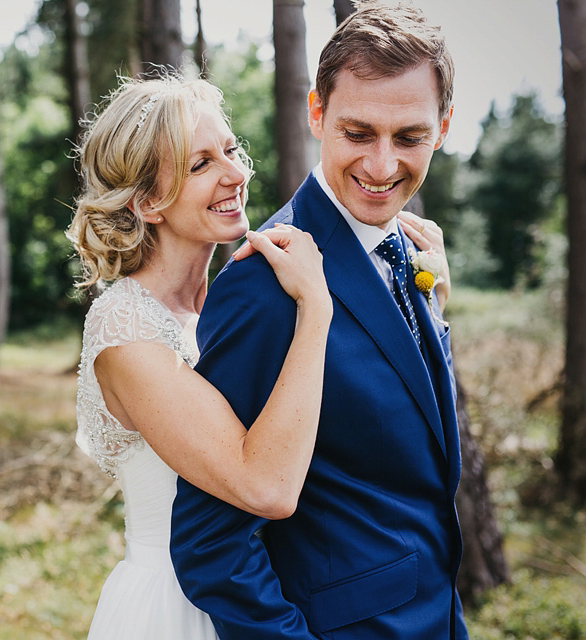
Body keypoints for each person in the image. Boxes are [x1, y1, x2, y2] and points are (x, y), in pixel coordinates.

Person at [68, 73, 442, 638]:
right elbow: (266, 487)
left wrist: (429, 304)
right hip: (180, 608)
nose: (237, 174)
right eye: (201, 165)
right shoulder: (125, 331)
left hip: (272, 590)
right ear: (146, 201)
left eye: (231, 150)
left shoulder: (230, 300)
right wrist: (317, 310)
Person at [169, 2, 466, 639]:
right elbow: (210, 545)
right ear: (316, 114)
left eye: (409, 137)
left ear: (442, 127)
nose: (382, 167)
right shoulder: (265, 280)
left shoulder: (408, 251)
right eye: (358, 134)